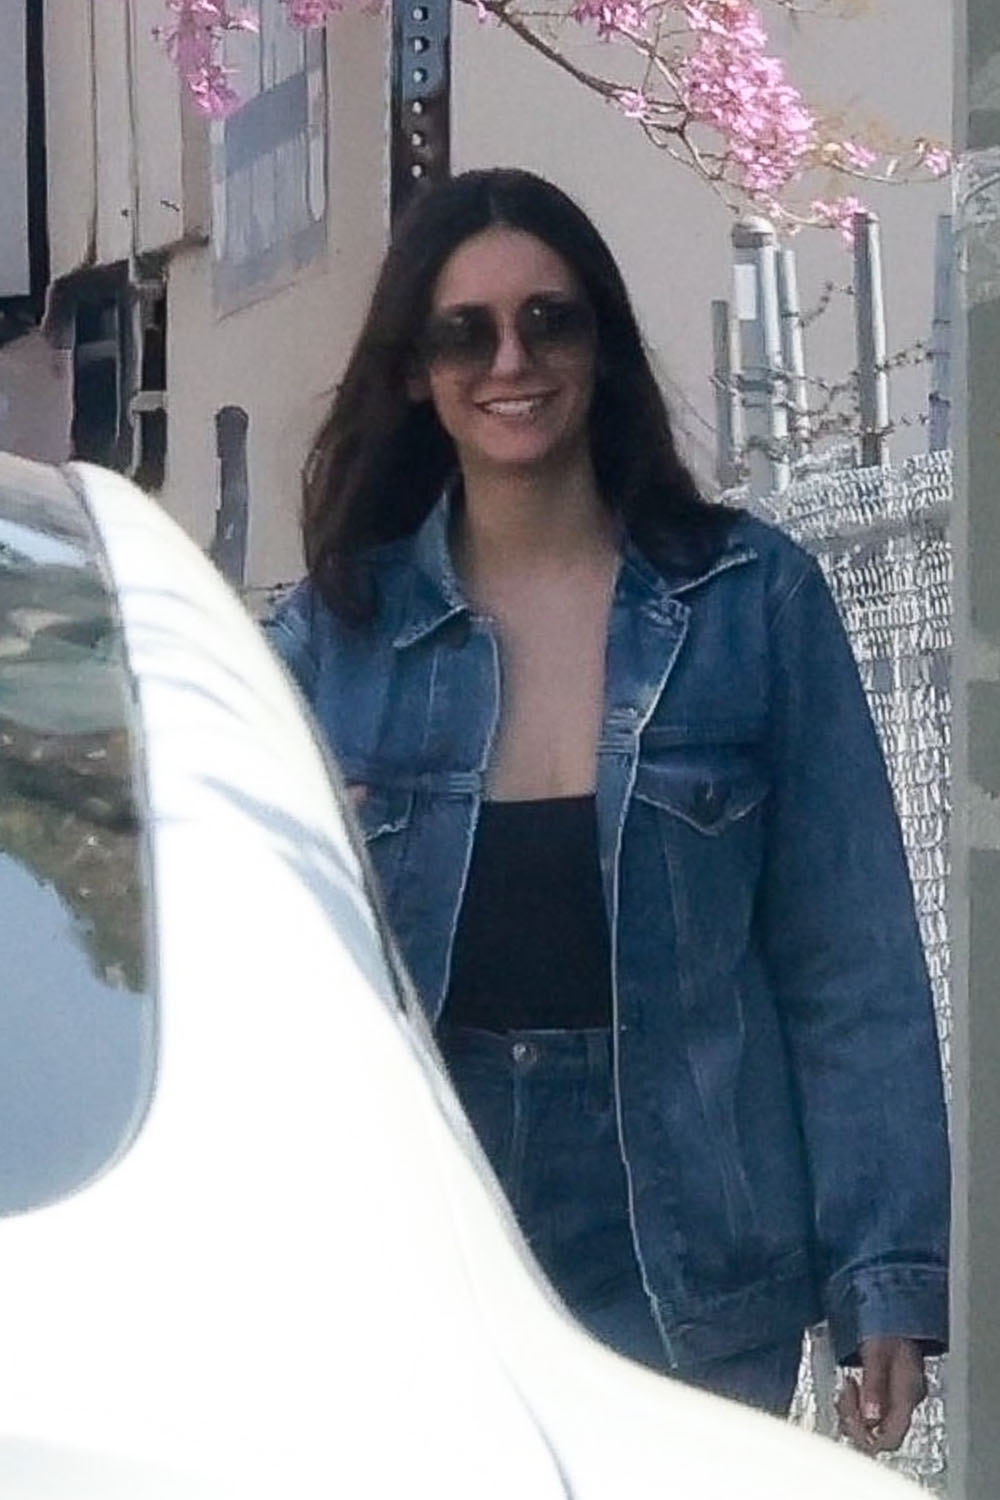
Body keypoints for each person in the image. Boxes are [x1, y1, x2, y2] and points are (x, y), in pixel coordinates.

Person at [264, 167, 949, 1445]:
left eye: (550, 319)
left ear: (601, 343)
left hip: (691, 1245)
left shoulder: (750, 601)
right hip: (423, 1235)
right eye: (463, 332)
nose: (510, 361)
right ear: (411, 371)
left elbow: (849, 964)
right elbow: (252, 969)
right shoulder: (335, 637)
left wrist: (883, 1280)